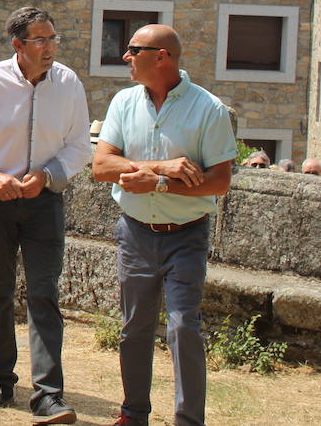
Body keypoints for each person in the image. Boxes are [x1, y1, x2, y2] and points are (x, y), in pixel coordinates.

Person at [0, 6, 92, 425]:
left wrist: (48, 175)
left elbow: (81, 144)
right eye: (40, 40)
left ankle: (48, 395)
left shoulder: (68, 83)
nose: (50, 48)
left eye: (53, 38)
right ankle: (1, 380)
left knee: (44, 293)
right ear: (18, 45)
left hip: (45, 201)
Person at [91, 24, 235, 426]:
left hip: (186, 235)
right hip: (135, 232)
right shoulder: (123, 102)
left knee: (184, 327)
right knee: (133, 328)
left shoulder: (209, 109)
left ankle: (189, 420)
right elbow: (101, 167)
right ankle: (133, 414)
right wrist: (160, 167)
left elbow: (220, 181)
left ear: (162, 57)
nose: (125, 57)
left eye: (133, 50)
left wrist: (155, 183)